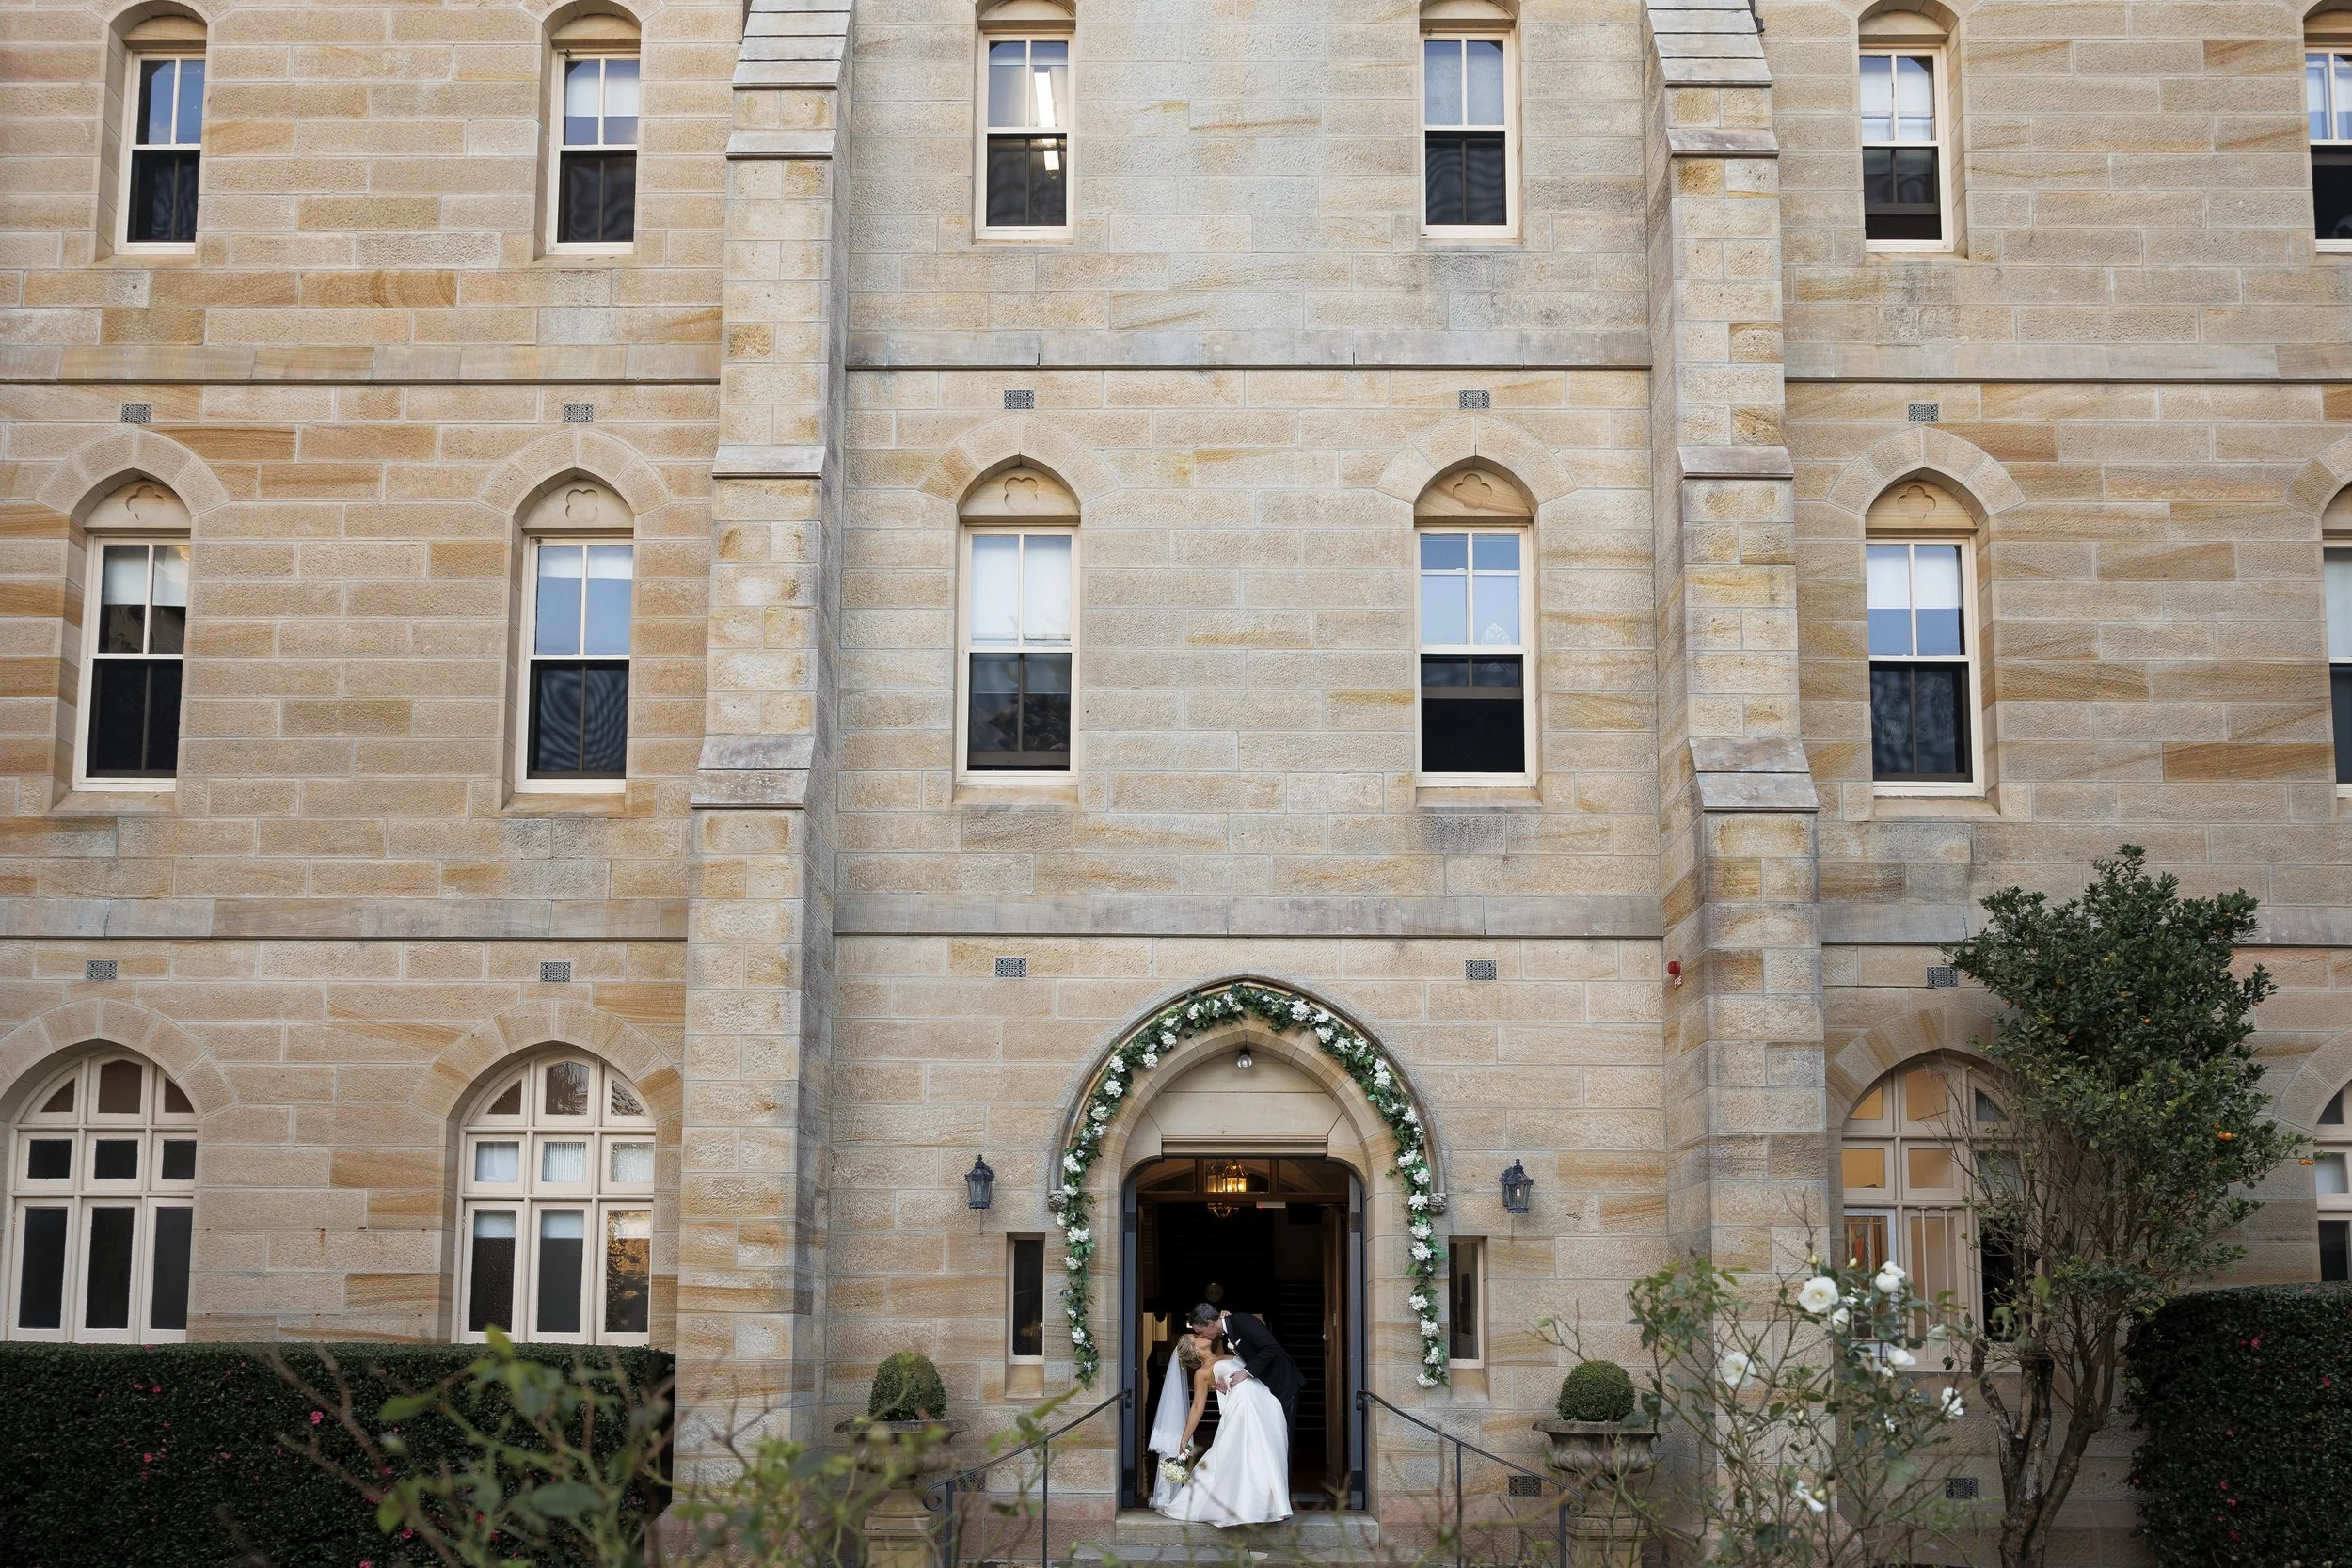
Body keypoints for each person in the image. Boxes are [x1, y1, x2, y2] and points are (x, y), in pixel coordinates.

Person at [1155, 1323, 1292, 1528]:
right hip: (1244, 1409)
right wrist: (1184, 1438)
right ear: (1193, 1349)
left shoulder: (1227, 1353)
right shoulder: (1202, 1373)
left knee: (1269, 1451)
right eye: (1195, 1337)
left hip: (1265, 1402)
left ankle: (1270, 1505)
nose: (1199, 1335)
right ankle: (1248, 1507)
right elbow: (1197, 1408)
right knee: (1247, 1454)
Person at [1188, 1300, 1304, 1433]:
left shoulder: (1241, 1320)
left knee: (1283, 1436)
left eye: (1201, 1332)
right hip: (1264, 1390)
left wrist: (1246, 1372)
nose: (1202, 1336)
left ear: (1210, 1323)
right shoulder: (1226, 1335)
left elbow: (1271, 1347)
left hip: (1282, 1384)